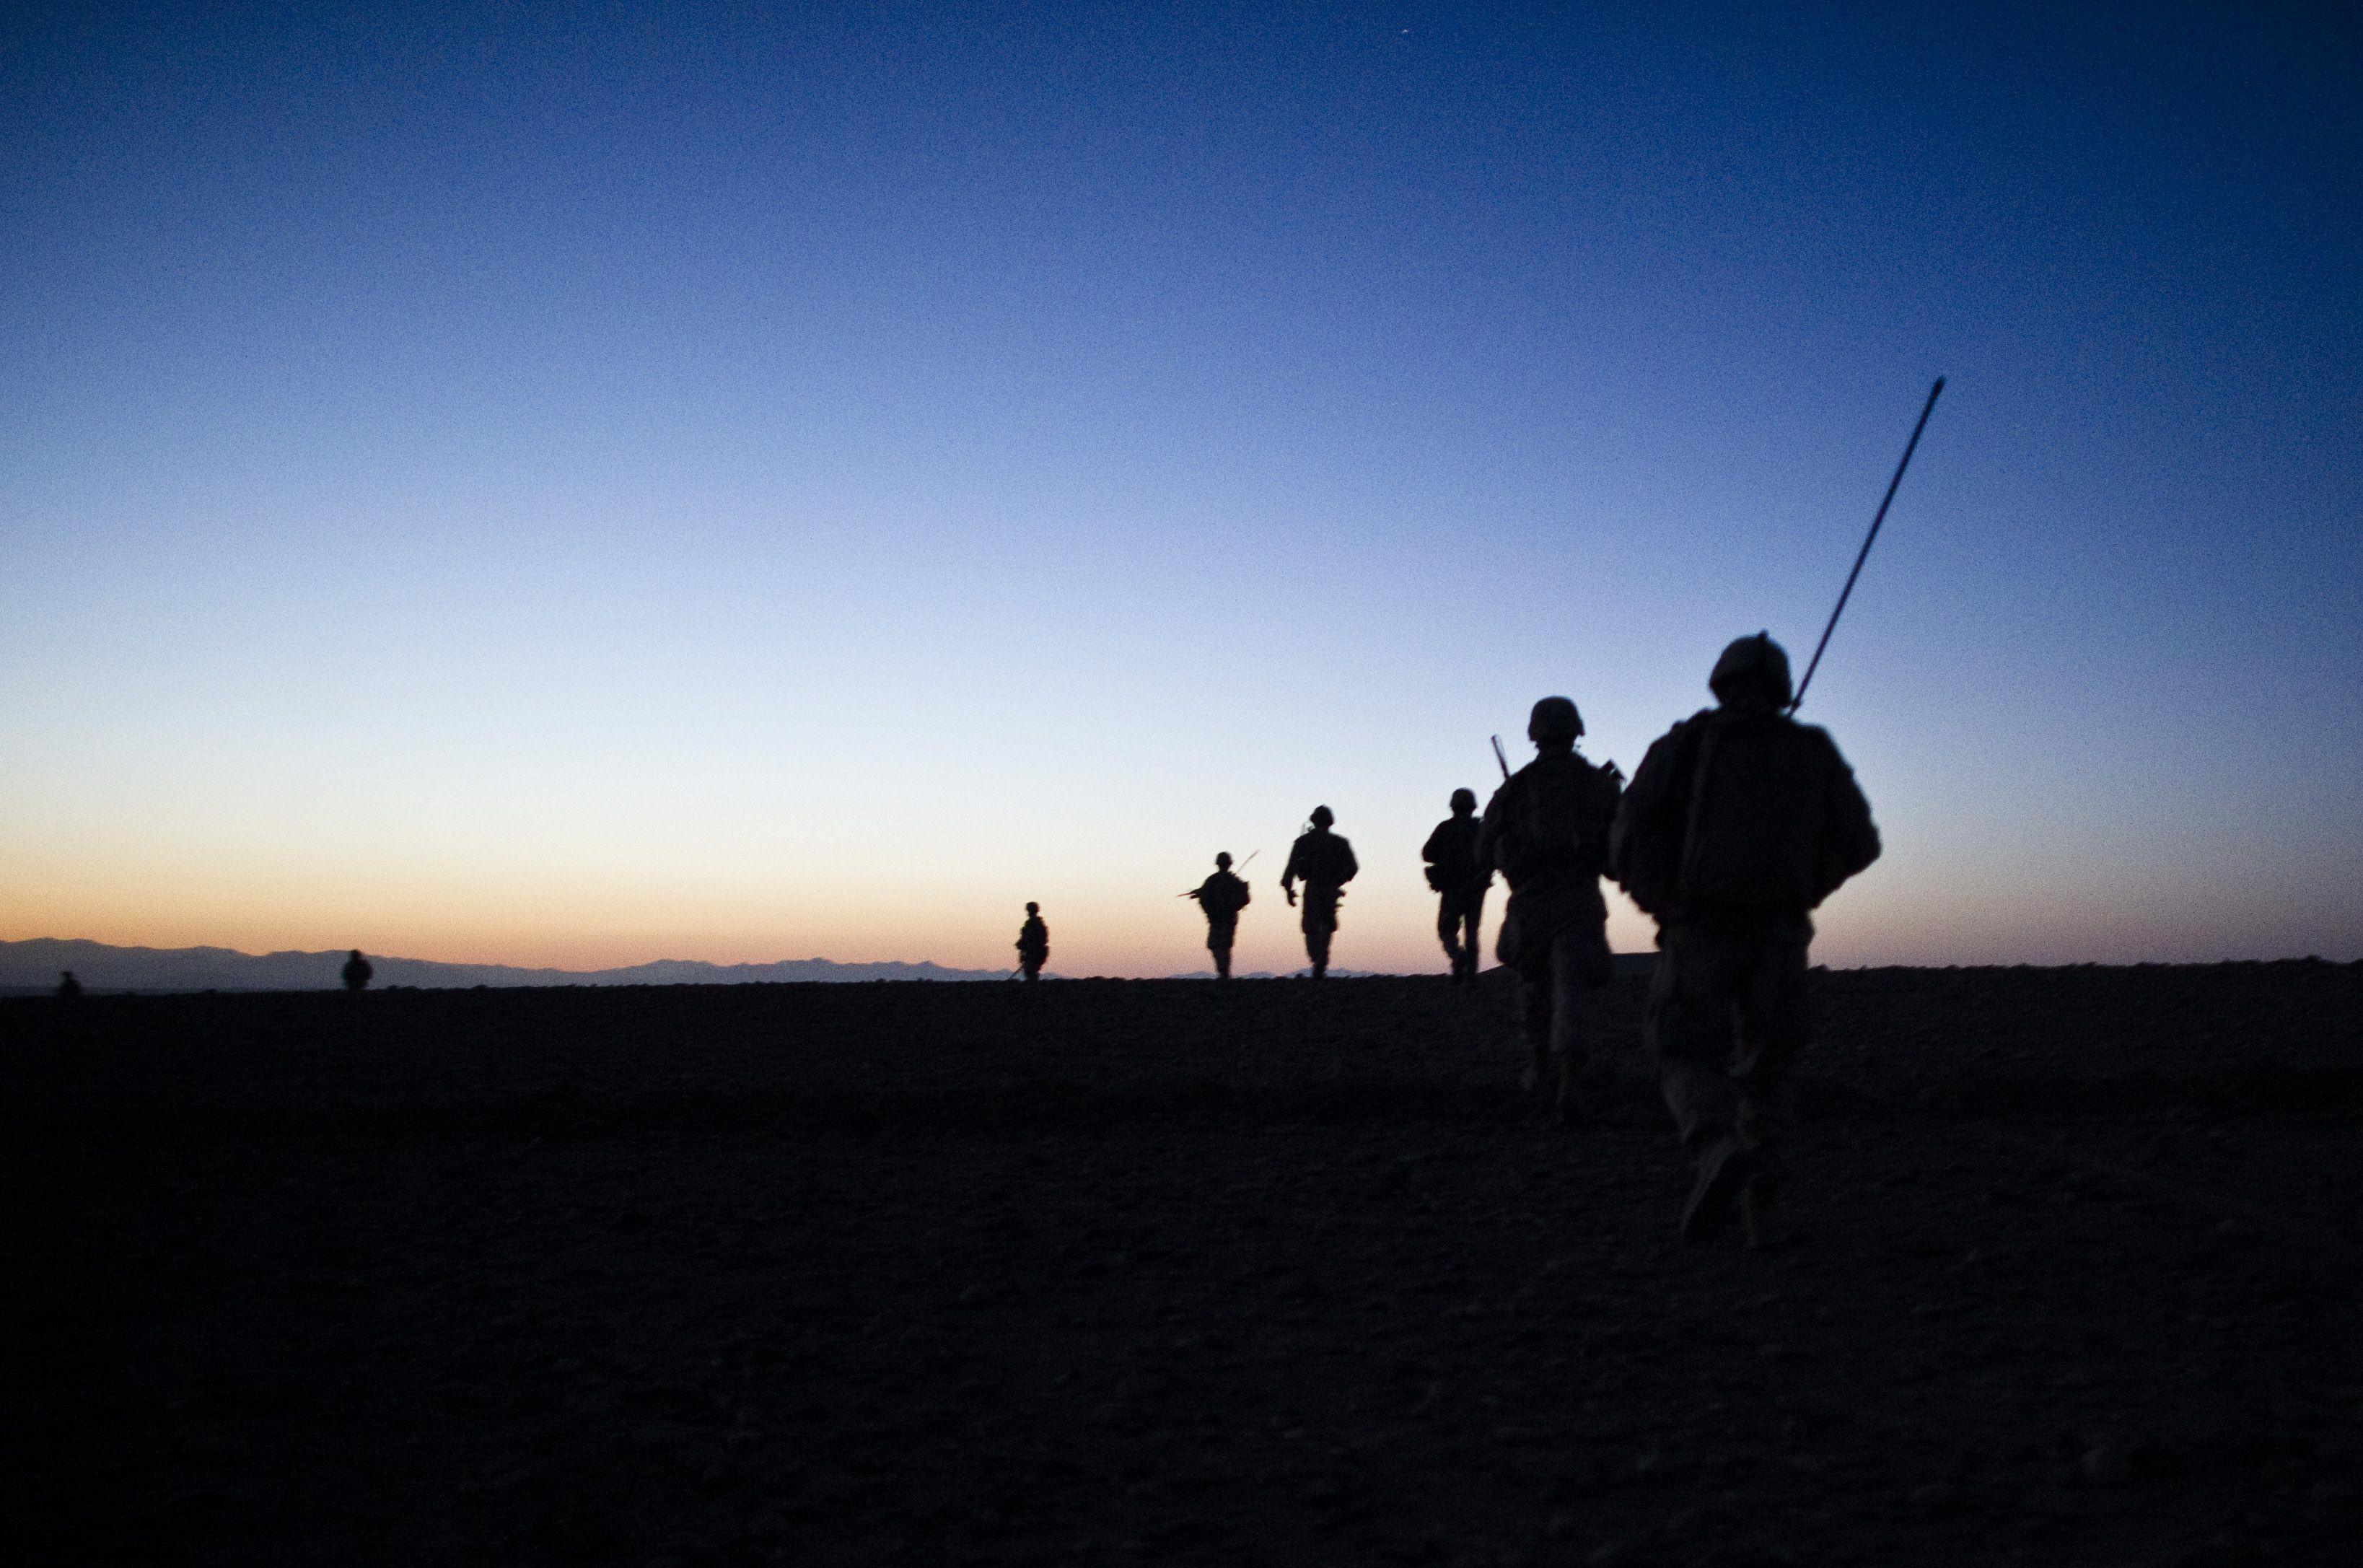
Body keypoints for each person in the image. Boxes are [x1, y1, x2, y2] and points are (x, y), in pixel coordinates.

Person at [1609, 633, 1880, 1247]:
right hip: (1780, 934)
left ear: (1720, 681)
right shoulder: (1811, 749)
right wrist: (1804, 887)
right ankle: (1766, 1211)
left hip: (1699, 928)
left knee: (1679, 1051)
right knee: (1770, 1069)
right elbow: (1860, 842)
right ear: (1782, 687)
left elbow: (1627, 832)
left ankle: (1713, 1146)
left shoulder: (1686, 743)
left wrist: (1660, 901)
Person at [1476, 697, 1623, 1122]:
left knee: (1535, 987)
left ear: (1535, 734)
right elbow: (1623, 842)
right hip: (1577, 898)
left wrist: (1500, 862)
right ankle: (1569, 1083)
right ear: (1576, 731)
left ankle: (1540, 1068)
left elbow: (1483, 845)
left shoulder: (1516, 787)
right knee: (1572, 990)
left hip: (1530, 904)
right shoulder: (1597, 782)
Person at [1421, 787, 1491, 985]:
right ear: (1472, 806)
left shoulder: (1445, 828)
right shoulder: (1480, 828)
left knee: (1446, 930)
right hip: (1477, 888)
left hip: (1453, 888)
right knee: (1472, 932)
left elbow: (1427, 854)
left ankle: (1457, 956)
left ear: (1453, 806)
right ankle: (1471, 977)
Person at [1279, 806, 1358, 978]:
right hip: (1330, 888)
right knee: (1327, 923)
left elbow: (1291, 869)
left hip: (1313, 887)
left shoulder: (1303, 842)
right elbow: (1353, 867)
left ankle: (1317, 957)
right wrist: (1338, 880)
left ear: (1314, 821)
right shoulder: (1340, 843)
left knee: (1310, 925)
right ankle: (1321, 956)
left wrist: (1288, 891)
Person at [1185, 853, 1253, 978]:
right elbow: (1205, 894)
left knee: (1219, 945)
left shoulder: (1216, 880)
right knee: (1221, 945)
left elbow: (1205, 897)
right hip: (1223, 918)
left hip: (1222, 919)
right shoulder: (1225, 881)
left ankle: (1224, 973)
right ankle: (1224, 973)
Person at [1015, 903, 1049, 982]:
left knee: (1030, 973)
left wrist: (1022, 945)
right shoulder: (1038, 923)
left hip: (1033, 953)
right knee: (1031, 973)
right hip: (1034, 953)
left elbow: (1028, 938)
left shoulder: (1033, 924)